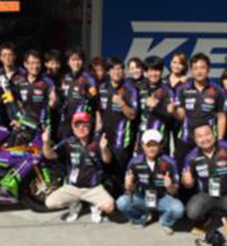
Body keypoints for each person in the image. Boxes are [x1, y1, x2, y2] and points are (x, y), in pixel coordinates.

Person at [183, 121, 227, 239]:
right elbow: (188, 184)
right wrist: (187, 182)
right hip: (206, 194)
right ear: (195, 140)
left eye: (207, 134)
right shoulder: (191, 156)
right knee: (192, 212)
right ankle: (205, 218)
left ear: (214, 134)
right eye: (200, 136)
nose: (204, 139)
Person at [42, 110, 114, 223]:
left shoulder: (96, 141)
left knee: (109, 207)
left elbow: (107, 160)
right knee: (49, 203)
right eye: (77, 125)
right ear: (73, 127)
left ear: (90, 126)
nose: (81, 128)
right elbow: (49, 155)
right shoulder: (68, 142)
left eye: (84, 125)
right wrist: (46, 142)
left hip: (93, 188)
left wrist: (104, 148)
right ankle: (74, 203)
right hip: (73, 187)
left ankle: (95, 205)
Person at [117, 129, 183, 234]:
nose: (151, 148)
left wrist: (169, 186)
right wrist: (128, 184)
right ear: (143, 146)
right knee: (122, 202)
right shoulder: (134, 162)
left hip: (162, 198)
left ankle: (165, 221)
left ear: (161, 146)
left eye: (155, 145)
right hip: (142, 197)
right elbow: (129, 188)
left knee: (178, 209)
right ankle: (140, 218)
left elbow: (174, 191)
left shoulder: (169, 162)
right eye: (148, 145)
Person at [173, 53, 227, 171]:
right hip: (186, 139)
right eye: (195, 68)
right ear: (191, 70)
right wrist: (173, 111)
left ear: (208, 69)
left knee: (209, 174)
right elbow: (181, 116)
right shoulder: (182, 89)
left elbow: (221, 117)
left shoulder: (217, 90)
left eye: (202, 67)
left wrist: (220, 141)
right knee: (184, 174)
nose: (199, 71)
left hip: (208, 141)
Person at [96, 57, 138, 196]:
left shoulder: (130, 90)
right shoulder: (102, 88)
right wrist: (98, 127)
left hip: (123, 140)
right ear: (108, 71)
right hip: (106, 138)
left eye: (120, 68)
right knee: (105, 173)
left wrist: (122, 103)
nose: (117, 71)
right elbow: (98, 109)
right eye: (113, 69)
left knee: (121, 175)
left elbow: (132, 115)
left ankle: (122, 201)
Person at [6, 50, 56, 137]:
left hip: (41, 128)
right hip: (22, 126)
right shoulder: (17, 81)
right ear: (25, 64)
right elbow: (13, 102)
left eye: (37, 63)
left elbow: (53, 102)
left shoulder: (47, 82)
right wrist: (15, 118)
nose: (35, 66)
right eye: (32, 63)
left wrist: (53, 102)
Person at [58, 47, 97, 140]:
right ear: (68, 62)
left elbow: (94, 95)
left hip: (82, 120)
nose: (76, 63)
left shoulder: (88, 78)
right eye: (73, 60)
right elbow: (62, 98)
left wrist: (86, 100)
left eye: (79, 60)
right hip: (67, 119)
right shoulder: (65, 78)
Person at [135, 56, 173, 149]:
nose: (153, 74)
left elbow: (171, 117)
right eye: (151, 70)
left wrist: (157, 106)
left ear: (161, 71)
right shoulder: (138, 88)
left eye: (157, 70)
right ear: (146, 72)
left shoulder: (168, 89)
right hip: (142, 137)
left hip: (161, 137)